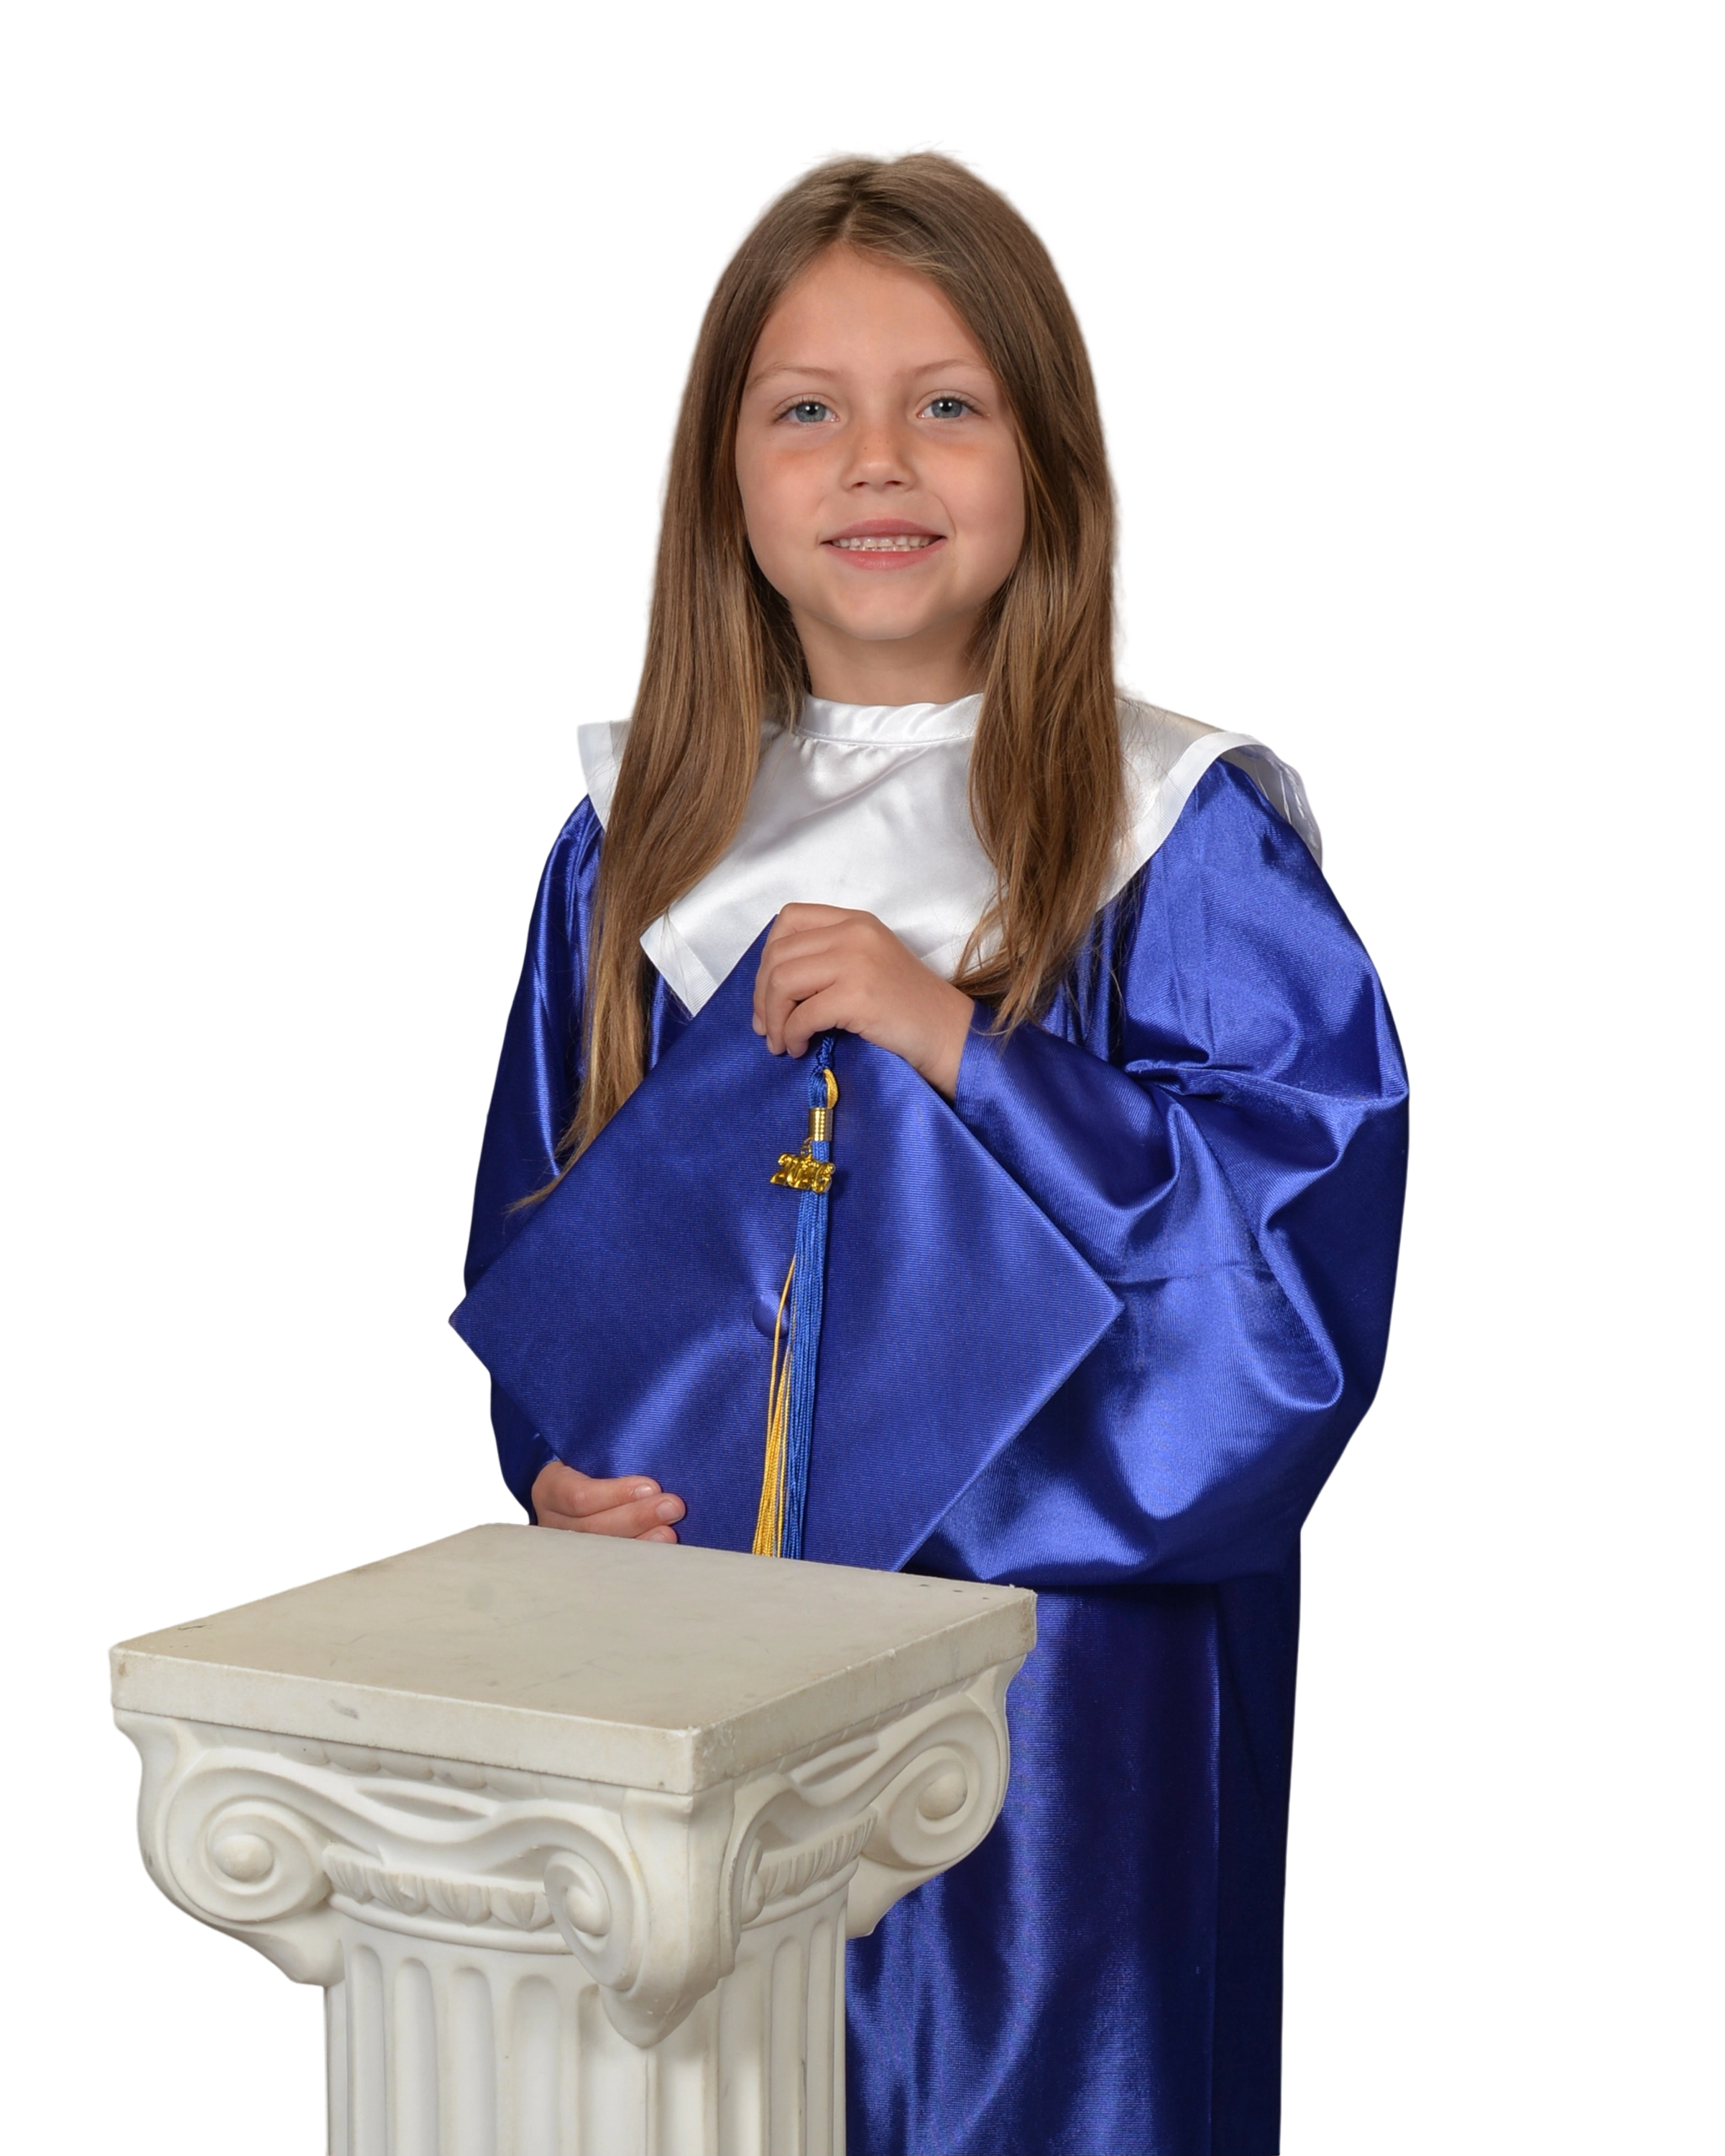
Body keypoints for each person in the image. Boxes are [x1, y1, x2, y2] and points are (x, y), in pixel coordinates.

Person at [456, 140, 1409, 2156]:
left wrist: (967, 1052)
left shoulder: (1177, 839)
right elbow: (552, 1243)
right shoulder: (633, 849)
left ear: (1050, 457)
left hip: (1059, 1720)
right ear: (723, 476)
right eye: (807, 410)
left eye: (949, 404)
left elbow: (1284, 1286)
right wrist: (558, 1476)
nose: (875, 463)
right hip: (699, 1696)